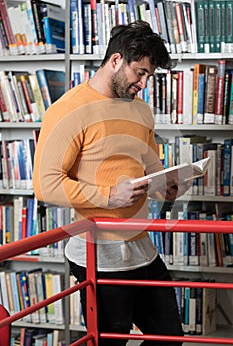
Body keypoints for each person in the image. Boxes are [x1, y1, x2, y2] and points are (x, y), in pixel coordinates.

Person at [33, 20, 188, 346]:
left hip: (142, 249)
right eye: (140, 73)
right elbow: (45, 185)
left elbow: (150, 168)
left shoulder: (141, 110)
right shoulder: (68, 110)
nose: (144, 84)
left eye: (150, 76)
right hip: (96, 253)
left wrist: (166, 188)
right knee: (108, 342)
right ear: (116, 61)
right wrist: (108, 195)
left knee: (171, 338)